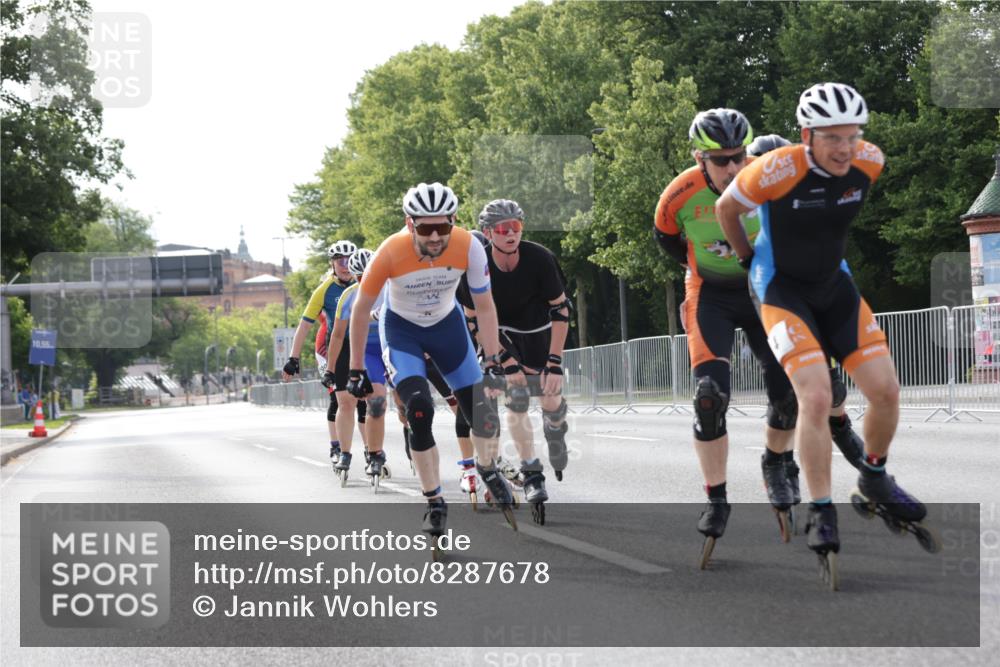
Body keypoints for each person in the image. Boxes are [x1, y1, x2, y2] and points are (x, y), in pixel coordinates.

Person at [716, 82, 928, 567]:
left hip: (834, 287)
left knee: (886, 391)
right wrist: (749, 259)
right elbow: (726, 208)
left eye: (852, 135)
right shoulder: (776, 168)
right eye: (832, 137)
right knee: (815, 396)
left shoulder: (869, 160)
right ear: (806, 135)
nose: (845, 147)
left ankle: (874, 477)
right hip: (781, 290)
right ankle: (822, 508)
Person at [653, 109, 798, 559]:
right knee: (709, 397)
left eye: (738, 156)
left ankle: (776, 462)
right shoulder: (678, 195)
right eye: (721, 160)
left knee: (787, 390)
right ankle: (716, 498)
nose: (734, 168)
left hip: (760, 288)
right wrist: (699, 269)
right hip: (710, 294)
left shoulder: (767, 179)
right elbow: (668, 240)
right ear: (700, 159)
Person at [346, 182, 511, 539]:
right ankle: (434, 501)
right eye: (425, 228)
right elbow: (361, 310)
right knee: (419, 411)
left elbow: (484, 305)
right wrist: (356, 368)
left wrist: (494, 358)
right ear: (410, 224)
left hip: (447, 328)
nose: (435, 236)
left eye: (443, 227)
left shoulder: (469, 246)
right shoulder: (390, 252)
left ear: (454, 220)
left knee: (482, 412)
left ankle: (488, 468)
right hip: (403, 331)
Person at [745, 134, 867, 502]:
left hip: (811, 289)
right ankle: (780, 461)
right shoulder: (744, 202)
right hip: (766, 292)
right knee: (787, 392)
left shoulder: (807, 194)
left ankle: (841, 425)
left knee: (832, 387)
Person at [455, 199, 572, 523]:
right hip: (499, 336)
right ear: (487, 233)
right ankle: (532, 474)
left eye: (516, 228)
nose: (511, 235)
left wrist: (554, 363)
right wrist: (503, 359)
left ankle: (555, 428)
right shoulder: (475, 265)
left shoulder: (540, 258)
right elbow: (472, 320)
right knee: (516, 399)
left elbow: (561, 310)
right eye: (503, 229)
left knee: (550, 401)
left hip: (539, 331)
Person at [280, 240, 366, 462]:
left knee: (364, 399)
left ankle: (371, 449)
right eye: (340, 261)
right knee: (339, 400)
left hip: (362, 343)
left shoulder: (364, 281)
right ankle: (336, 447)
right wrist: (293, 357)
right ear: (332, 263)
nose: (345, 265)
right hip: (331, 346)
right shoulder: (324, 290)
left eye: (349, 260)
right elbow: (304, 325)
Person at [325, 248, 387, 486]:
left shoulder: (390, 288)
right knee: (373, 399)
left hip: (389, 346)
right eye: (359, 276)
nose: (364, 281)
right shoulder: (349, 296)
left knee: (401, 402)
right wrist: (330, 369)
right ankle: (354, 452)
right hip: (365, 350)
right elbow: (338, 335)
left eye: (368, 275)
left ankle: (401, 438)